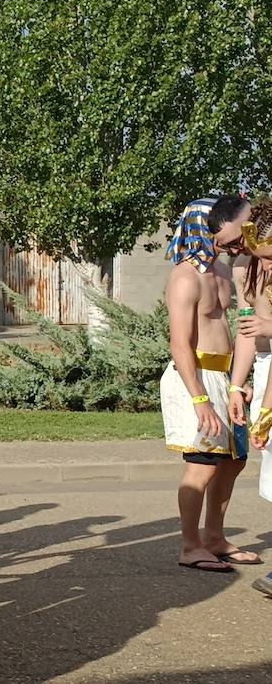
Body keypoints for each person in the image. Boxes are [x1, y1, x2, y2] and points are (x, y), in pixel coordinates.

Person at [162, 195, 256, 573]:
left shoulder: (222, 271)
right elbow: (179, 343)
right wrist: (199, 398)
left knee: (233, 463)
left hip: (225, 378)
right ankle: (190, 545)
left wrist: (238, 382)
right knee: (201, 466)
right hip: (195, 378)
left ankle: (214, 538)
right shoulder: (185, 276)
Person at [230, 197, 272, 595]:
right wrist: (235, 385)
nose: (268, 264)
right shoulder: (247, 268)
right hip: (265, 373)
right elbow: (247, 333)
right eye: (262, 256)